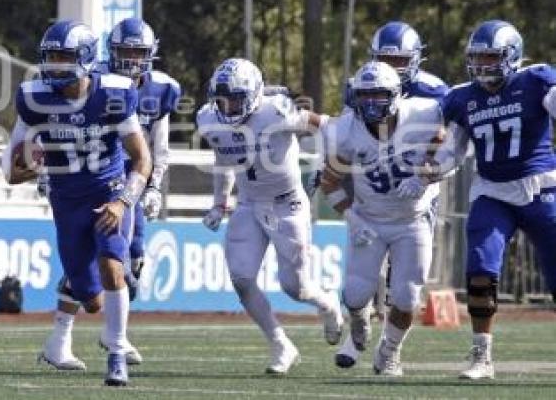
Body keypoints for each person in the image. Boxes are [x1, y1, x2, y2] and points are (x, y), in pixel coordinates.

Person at [4, 20, 152, 387]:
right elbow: (10, 169)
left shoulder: (114, 93)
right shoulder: (35, 96)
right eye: (50, 57)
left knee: (112, 265)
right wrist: (30, 167)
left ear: (86, 58)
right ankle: (76, 335)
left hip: (109, 189)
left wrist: (123, 201)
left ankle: (117, 353)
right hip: (66, 198)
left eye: (63, 57)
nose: (54, 65)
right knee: (92, 299)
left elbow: (142, 159)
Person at [38, 18, 181, 370]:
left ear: (151, 54)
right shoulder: (94, 80)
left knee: (130, 261)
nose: (132, 59)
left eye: (138, 52)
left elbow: (156, 147)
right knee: (99, 262)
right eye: (125, 51)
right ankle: (71, 338)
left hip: (130, 180)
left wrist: (154, 185)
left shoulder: (162, 89)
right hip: (94, 181)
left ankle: (108, 337)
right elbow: (54, 128)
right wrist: (48, 172)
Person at [196, 58, 343, 376]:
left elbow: (328, 126)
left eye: (235, 97)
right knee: (241, 278)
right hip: (248, 203)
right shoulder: (208, 118)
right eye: (222, 97)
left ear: (254, 94)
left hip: (286, 203)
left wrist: (322, 165)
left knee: (296, 288)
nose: (228, 104)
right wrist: (220, 203)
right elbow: (223, 158)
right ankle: (280, 344)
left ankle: (328, 304)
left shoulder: (276, 111)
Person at [437, 20, 556, 380]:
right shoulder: (462, 97)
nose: (482, 65)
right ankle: (481, 356)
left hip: (541, 189)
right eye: (477, 58)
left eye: (490, 57)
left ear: (511, 56)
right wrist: (432, 170)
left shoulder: (536, 80)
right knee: (479, 268)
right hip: (492, 190)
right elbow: (451, 152)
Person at [321, 61, 444, 376]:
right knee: (355, 294)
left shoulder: (423, 114)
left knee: (407, 295)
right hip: (370, 219)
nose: (372, 101)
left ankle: (389, 352)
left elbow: (448, 147)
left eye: (379, 94)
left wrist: (427, 175)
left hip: (412, 219)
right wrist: (351, 218)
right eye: (365, 95)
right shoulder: (346, 130)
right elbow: (329, 182)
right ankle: (360, 321)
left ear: (396, 93)